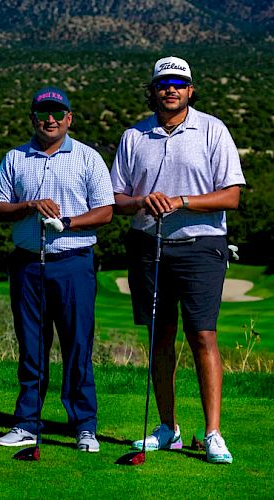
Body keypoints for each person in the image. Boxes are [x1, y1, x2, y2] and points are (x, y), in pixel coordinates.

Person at [110, 56, 245, 464]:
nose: (171, 89)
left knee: (203, 335)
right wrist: (141, 201)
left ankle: (213, 432)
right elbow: (116, 199)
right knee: (160, 338)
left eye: (178, 84)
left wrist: (183, 201)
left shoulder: (212, 130)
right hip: (148, 246)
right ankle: (168, 428)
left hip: (201, 245)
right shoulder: (134, 136)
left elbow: (231, 196)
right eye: (163, 83)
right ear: (152, 91)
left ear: (190, 90)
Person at [0, 86, 114, 452]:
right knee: (32, 347)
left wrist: (69, 222)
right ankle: (28, 423)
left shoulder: (89, 158)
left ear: (69, 118)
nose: (50, 120)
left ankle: (84, 426)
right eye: (43, 113)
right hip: (28, 264)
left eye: (57, 114)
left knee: (77, 345)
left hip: (73, 262)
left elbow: (106, 210)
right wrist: (28, 206)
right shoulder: (15, 158)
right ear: (33, 117)